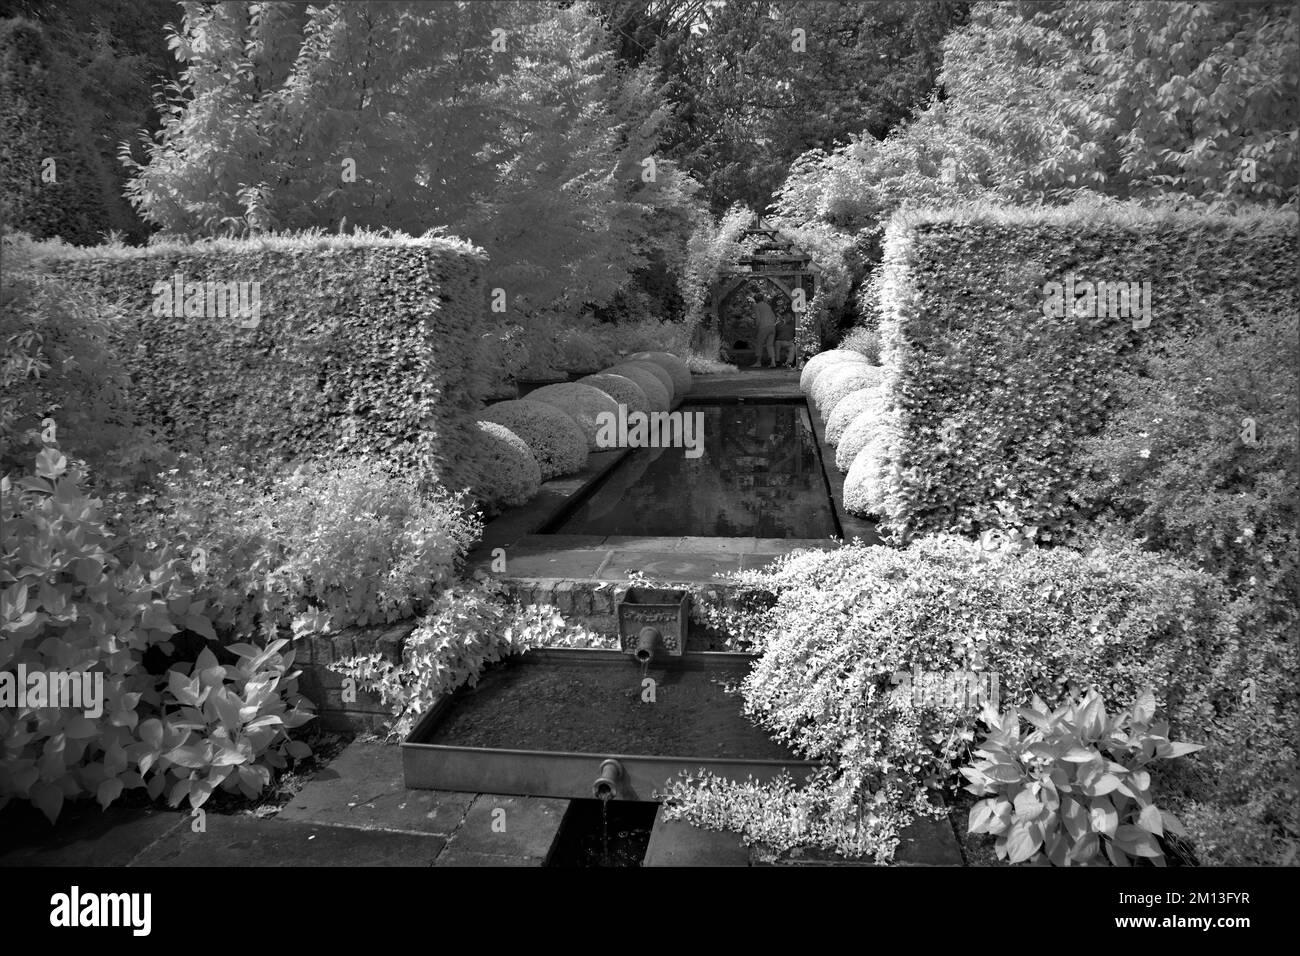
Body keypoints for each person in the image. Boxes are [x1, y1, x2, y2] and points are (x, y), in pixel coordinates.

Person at [751, 293, 778, 368]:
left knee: (759, 344)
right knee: (770, 345)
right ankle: (773, 362)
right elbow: (774, 317)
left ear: (756, 300)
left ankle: (758, 362)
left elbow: (758, 319)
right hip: (772, 327)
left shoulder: (757, 306)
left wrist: (756, 328)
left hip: (763, 327)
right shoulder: (767, 306)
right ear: (762, 299)